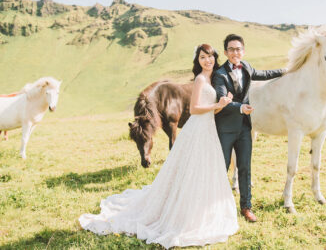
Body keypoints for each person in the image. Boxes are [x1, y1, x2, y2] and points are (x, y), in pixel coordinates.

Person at [79, 44, 238, 249]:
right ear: (197, 61)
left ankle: (199, 207)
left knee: (203, 169)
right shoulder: (199, 80)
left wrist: (222, 105)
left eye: (210, 57)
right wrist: (217, 105)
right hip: (197, 128)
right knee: (191, 168)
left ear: (215, 58)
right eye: (202, 57)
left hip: (208, 129)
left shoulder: (211, 79)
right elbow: (195, 109)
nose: (207, 60)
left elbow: (210, 112)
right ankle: (182, 210)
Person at [213, 34, 287, 222]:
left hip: (245, 128)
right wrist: (240, 107)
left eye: (238, 49)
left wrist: (284, 71)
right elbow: (222, 100)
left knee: (245, 168)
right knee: (222, 168)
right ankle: (217, 208)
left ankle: (246, 207)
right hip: (226, 128)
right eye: (231, 49)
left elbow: (264, 74)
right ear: (225, 52)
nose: (235, 52)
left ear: (243, 51)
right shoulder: (219, 74)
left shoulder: (246, 66)